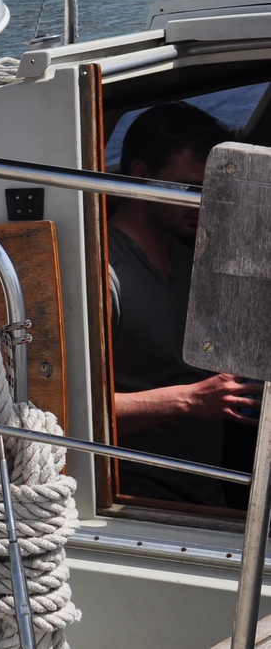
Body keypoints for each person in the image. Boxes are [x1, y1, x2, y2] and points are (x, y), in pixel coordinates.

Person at [110, 101, 257, 505]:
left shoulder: (193, 260)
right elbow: (63, 413)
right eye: (192, 188)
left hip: (208, 491)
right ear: (140, 176)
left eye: (214, 190)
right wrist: (191, 400)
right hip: (136, 502)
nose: (205, 203)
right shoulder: (101, 274)